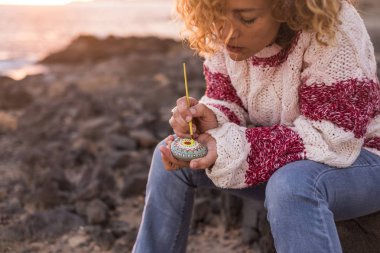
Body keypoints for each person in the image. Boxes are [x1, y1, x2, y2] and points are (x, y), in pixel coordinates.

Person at [133, 0, 380, 252]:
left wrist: (229, 144)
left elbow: (334, 135)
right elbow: (226, 99)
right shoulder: (226, 34)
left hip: (364, 157)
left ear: (286, 8)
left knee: (291, 185)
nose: (226, 32)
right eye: (217, 16)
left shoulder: (333, 28)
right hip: (289, 158)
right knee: (172, 155)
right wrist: (210, 118)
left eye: (247, 19)